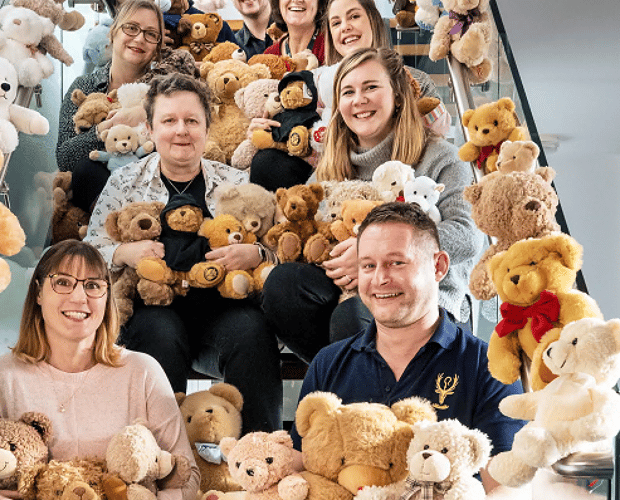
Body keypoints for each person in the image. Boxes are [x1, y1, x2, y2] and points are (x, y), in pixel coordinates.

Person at [83, 73, 283, 434]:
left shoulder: (236, 183)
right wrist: (125, 251)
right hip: (154, 308)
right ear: (149, 128)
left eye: (192, 121)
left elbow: (280, 250)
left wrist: (256, 254)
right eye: (169, 121)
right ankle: (160, 461)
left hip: (222, 310)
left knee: (253, 332)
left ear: (207, 128)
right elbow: (89, 254)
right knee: (158, 334)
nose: (181, 131)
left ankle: (260, 454)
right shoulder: (124, 183)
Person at [262, 47, 480, 362]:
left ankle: (364, 394)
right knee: (283, 286)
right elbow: (310, 231)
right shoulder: (331, 165)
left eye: (371, 87)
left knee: (354, 317)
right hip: (348, 298)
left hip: (426, 302)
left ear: (398, 96)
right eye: (348, 92)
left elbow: (466, 236)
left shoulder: (441, 158)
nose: (359, 99)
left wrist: (370, 254)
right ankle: (343, 377)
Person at [289, 202, 524, 493]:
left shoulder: (488, 366)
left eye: (396, 263)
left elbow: (506, 489)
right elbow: (304, 469)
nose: (379, 279)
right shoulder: (328, 363)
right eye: (368, 266)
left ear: (438, 266)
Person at [0, 239, 200, 500]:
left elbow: (187, 476)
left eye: (92, 285)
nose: (79, 298)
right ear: (38, 292)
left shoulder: (142, 371)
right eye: (63, 282)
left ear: (106, 297)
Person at [249, 0, 448, 191]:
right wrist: (269, 132)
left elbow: (436, 147)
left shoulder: (416, 81)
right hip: (336, 186)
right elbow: (301, 138)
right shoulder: (317, 85)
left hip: (398, 183)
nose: (345, 27)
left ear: (373, 21)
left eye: (354, 16)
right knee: (268, 163)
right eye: (336, 22)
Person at [56, 0, 164, 213]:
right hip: (96, 201)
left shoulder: (164, 88)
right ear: (113, 33)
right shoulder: (84, 87)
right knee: (87, 169)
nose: (140, 38)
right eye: (131, 28)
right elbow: (64, 158)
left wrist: (146, 110)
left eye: (151, 34)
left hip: (152, 193)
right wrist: (106, 128)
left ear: (157, 48)